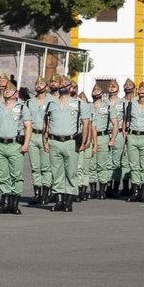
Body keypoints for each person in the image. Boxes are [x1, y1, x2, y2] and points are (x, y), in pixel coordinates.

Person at [41, 76, 87, 212]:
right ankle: (59, 200)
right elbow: (46, 125)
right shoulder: (51, 104)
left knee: (71, 171)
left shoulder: (79, 104)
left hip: (71, 141)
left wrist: (84, 142)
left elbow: (86, 124)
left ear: (71, 87)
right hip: (55, 141)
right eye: (61, 84)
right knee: (56, 172)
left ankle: (68, 201)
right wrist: (45, 141)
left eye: (66, 84)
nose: (63, 86)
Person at [0, 74, 31, 214]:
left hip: (15, 145)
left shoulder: (22, 108)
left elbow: (28, 127)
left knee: (16, 175)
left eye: (10, 90)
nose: (7, 91)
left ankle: (14, 204)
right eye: (5, 90)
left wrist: (26, 144)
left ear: (16, 93)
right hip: (0, 144)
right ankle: (6, 202)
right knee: (2, 175)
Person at [27, 77, 52, 206]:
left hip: (45, 136)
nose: (38, 86)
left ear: (47, 87)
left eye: (42, 83)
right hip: (33, 135)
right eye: (37, 83)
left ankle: (45, 194)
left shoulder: (52, 101)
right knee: (35, 166)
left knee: (46, 167)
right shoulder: (29, 102)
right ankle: (37, 193)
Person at [124, 80, 144, 202]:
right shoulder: (132, 104)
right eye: (140, 88)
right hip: (133, 135)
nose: (141, 90)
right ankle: (135, 191)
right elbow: (126, 119)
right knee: (133, 165)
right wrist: (125, 132)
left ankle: (143, 192)